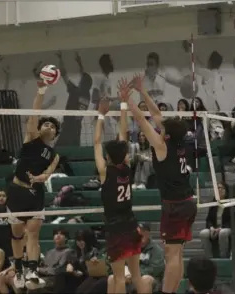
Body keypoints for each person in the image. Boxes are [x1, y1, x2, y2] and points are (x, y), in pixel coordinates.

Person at [128, 74, 197, 294]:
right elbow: (156, 114)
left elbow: (142, 121)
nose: (160, 126)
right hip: (187, 201)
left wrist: (126, 100)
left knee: (171, 254)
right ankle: (174, 290)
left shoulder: (161, 145)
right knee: (177, 253)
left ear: (166, 132)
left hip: (175, 205)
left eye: (163, 127)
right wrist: (142, 90)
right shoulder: (179, 141)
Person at [93, 77, 150, 294]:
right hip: (130, 223)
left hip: (116, 228)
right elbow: (123, 134)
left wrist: (101, 114)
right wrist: (124, 104)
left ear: (107, 157)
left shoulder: (106, 172)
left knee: (118, 279)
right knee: (136, 275)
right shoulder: (126, 167)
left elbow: (97, 141)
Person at [5, 80, 60, 289]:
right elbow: (35, 112)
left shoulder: (54, 155)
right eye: (46, 124)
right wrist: (41, 90)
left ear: (55, 134)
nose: (49, 126)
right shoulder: (31, 138)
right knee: (17, 234)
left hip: (35, 193)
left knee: (34, 232)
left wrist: (39, 179)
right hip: (17, 190)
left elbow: (47, 174)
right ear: (39, 128)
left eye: (53, 126)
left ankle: (32, 271)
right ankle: (18, 268)